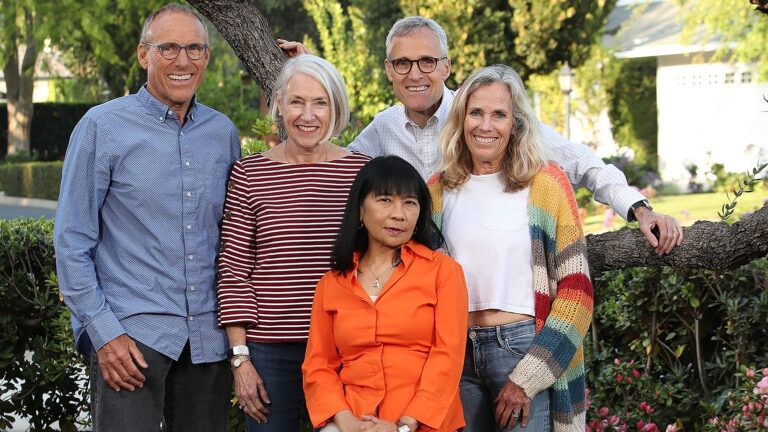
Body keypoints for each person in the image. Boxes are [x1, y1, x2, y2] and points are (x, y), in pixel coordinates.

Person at [279, 16, 683, 255]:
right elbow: (333, 165)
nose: (415, 74)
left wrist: (639, 209)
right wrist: (310, 69)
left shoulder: (484, 117)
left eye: (426, 61)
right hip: (423, 291)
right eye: (402, 63)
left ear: (446, 66)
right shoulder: (382, 129)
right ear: (388, 70)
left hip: (499, 286)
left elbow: (580, 160)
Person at [54, 3, 238, 431]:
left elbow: (229, 235)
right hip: (131, 340)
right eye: (168, 48)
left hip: (208, 342)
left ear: (207, 57)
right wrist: (103, 332)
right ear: (144, 55)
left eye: (195, 49)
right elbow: (72, 239)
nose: (182, 61)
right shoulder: (101, 127)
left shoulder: (222, 132)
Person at [428, 64, 593, 431]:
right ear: (461, 119)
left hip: (523, 350)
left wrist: (529, 376)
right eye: (476, 113)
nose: (485, 126)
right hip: (456, 356)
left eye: (498, 114)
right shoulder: (436, 191)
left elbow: (577, 292)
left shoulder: (545, 184)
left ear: (515, 123)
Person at [216, 54, 370, 431]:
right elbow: (233, 270)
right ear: (279, 106)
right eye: (297, 102)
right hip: (269, 352)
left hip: (345, 350)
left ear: (336, 108)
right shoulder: (250, 173)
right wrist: (241, 359)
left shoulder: (361, 172)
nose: (308, 115)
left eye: (321, 103)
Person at [303, 155, 469, 432]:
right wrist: (345, 420)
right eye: (385, 200)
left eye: (410, 203)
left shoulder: (443, 272)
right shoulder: (331, 284)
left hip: (423, 422)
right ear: (359, 209)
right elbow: (318, 366)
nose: (398, 214)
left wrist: (405, 425)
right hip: (352, 419)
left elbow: (447, 357)